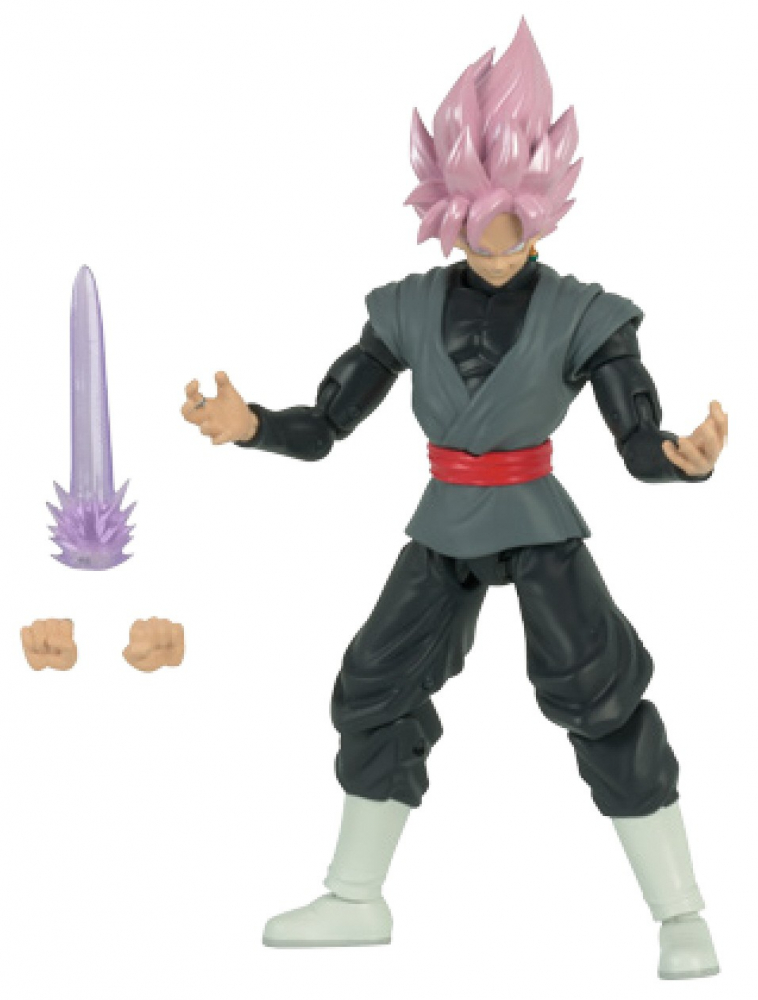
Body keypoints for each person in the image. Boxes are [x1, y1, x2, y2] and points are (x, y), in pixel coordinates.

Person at [181, 19, 726, 979]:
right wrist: (253, 423)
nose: (501, 242)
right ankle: (356, 897)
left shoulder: (586, 315)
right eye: (482, 219)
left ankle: (680, 912)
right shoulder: (404, 308)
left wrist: (681, 459)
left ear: (547, 205)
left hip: (537, 517)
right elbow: (329, 422)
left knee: (599, 693)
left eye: (519, 218)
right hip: (445, 519)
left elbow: (637, 439)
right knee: (374, 684)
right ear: (449, 206)